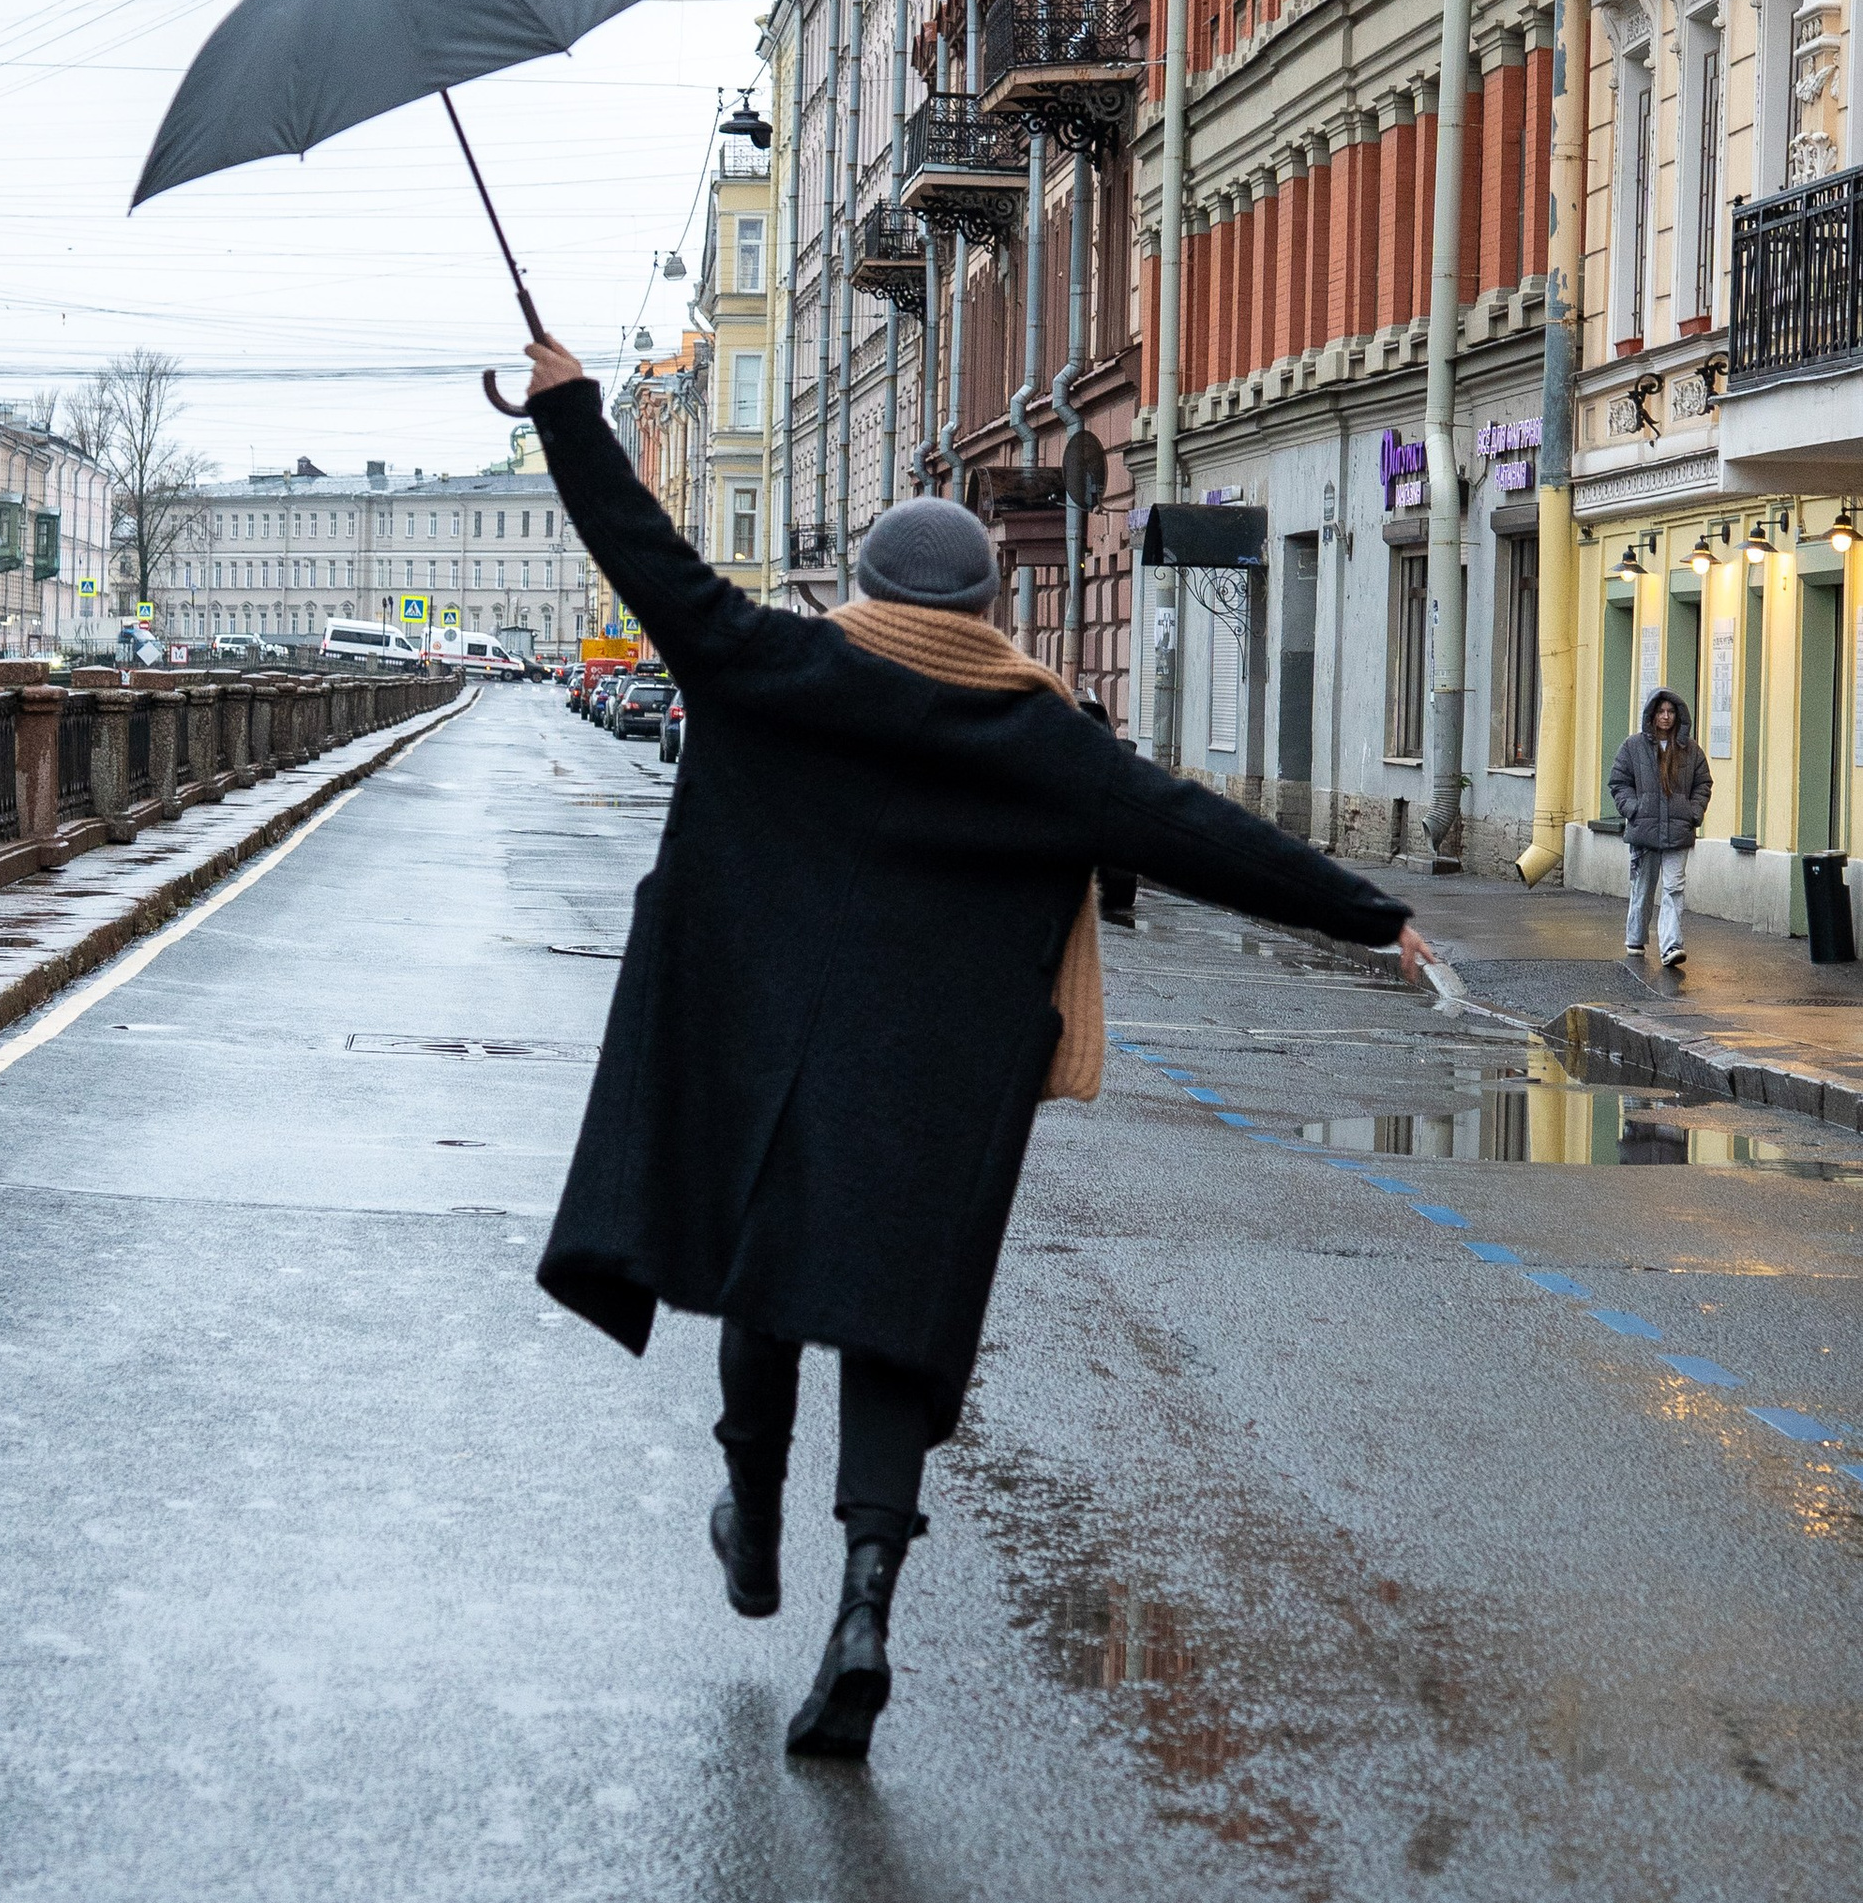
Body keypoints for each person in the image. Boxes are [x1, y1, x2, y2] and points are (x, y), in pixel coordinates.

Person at [518, 334, 1433, 1764]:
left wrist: (572, 407)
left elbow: (647, 554)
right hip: (936, 1098)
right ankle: (866, 1606)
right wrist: (1370, 916)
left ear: (870, 588)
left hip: (771, 1062)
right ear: (995, 604)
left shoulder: (776, 663)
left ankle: (752, 1515)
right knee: (896, 1328)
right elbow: (1194, 832)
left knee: (764, 1282)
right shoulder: (1044, 735)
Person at [1609, 685, 1709, 969]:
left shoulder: (1690, 751)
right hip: (1645, 830)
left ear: (1678, 716)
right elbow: (1618, 783)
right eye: (1661, 711)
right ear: (1651, 715)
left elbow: (1703, 784)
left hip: (1678, 830)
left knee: (1674, 888)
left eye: (1671, 712)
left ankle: (1671, 946)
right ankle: (1636, 938)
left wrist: (1694, 812)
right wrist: (1634, 809)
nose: (1666, 717)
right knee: (1643, 887)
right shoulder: (1633, 747)